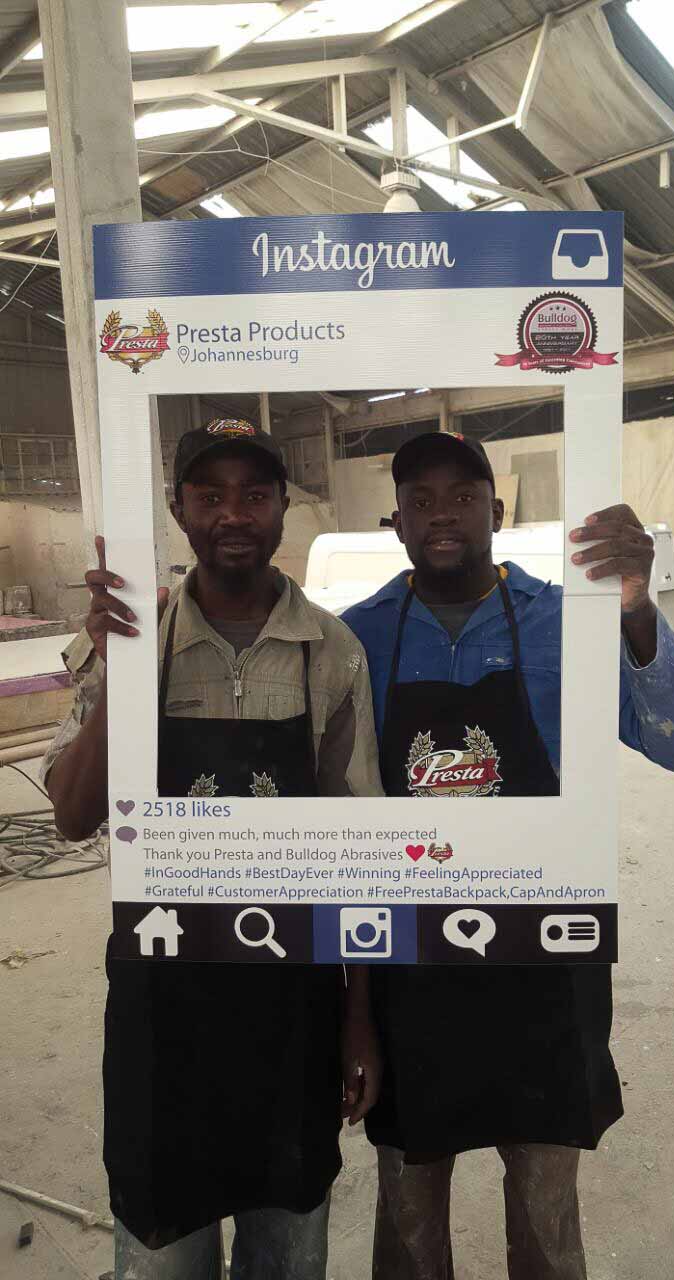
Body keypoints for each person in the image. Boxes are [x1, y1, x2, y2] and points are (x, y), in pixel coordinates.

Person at [342, 430, 674, 1280]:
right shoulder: (355, 638)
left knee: (547, 1222)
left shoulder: (567, 621)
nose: (442, 515)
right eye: (421, 500)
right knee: (408, 1221)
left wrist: (635, 609)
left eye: (462, 496)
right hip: (409, 973)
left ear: (497, 512)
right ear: (396, 521)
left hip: (546, 969)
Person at [41, 418, 383, 1280]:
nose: (234, 514)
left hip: (293, 1010)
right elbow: (73, 816)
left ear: (282, 508)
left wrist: (358, 1021)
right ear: (178, 510)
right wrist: (124, 668)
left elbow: (363, 851)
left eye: (254, 495)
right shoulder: (129, 639)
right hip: (165, 1009)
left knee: (287, 1253)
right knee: (162, 1251)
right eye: (210, 495)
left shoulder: (331, 653)